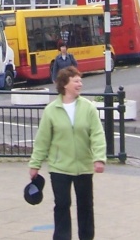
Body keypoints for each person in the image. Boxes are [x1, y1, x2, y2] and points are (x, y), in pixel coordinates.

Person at [28, 66, 106, 240]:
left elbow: (97, 134)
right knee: (62, 205)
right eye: (76, 81)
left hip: (83, 167)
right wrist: (35, 164)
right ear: (65, 84)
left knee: (85, 206)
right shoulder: (51, 110)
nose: (80, 84)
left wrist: (99, 158)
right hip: (59, 167)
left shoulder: (88, 108)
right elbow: (42, 140)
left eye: (80, 80)